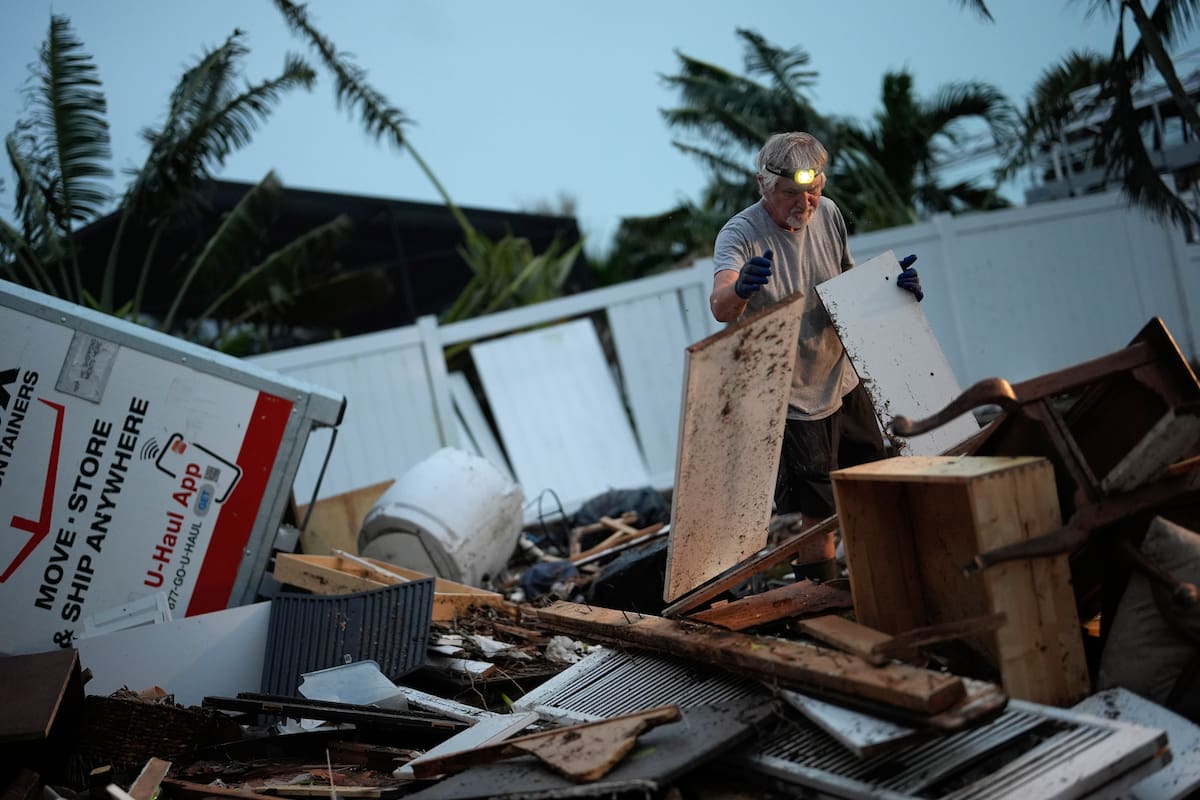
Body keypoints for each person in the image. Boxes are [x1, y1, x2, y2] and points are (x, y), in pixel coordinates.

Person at [710, 131, 924, 578]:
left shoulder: (828, 215)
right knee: (820, 515)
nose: (803, 204)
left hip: (842, 379)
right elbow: (720, 305)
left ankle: (885, 584)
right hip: (794, 401)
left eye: (813, 190)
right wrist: (742, 289)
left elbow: (847, 283)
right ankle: (820, 606)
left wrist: (892, 290)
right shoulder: (741, 233)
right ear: (763, 186)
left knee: (872, 486)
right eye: (790, 194)